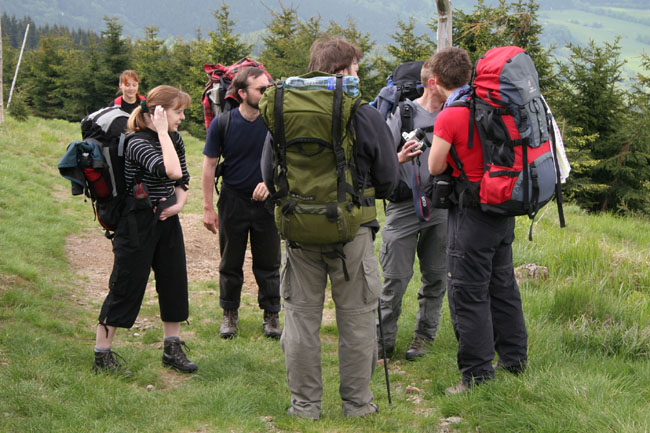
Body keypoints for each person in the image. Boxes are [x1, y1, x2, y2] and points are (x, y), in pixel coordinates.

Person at [261, 37, 398, 419]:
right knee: (356, 320)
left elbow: (267, 172)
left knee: (301, 320)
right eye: (355, 67)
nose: (358, 75)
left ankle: (304, 407)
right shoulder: (360, 111)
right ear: (342, 69)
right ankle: (357, 406)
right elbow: (389, 176)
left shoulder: (282, 107)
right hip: (351, 230)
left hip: (299, 230)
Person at [427, 48, 528, 394]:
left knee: (467, 294)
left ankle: (477, 376)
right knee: (502, 287)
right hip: (503, 208)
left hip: (471, 214)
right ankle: (514, 360)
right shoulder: (492, 104)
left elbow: (435, 166)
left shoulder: (450, 115)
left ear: (436, 80)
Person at [93, 85, 198, 374]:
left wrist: (178, 206)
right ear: (159, 113)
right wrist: (163, 133)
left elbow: (183, 179)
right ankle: (102, 356)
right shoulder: (135, 141)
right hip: (136, 222)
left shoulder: (173, 139)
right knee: (126, 285)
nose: (183, 118)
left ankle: (172, 348)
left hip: (167, 218)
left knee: (174, 281)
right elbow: (170, 171)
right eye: (179, 112)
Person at [201, 67, 282, 339]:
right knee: (230, 262)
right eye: (261, 89)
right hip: (233, 200)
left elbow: (287, 161)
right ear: (242, 93)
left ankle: (271, 315)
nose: (266, 93)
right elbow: (209, 165)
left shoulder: (275, 122)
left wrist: (270, 185)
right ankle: (229, 315)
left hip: (267, 206)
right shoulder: (223, 124)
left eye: (268, 88)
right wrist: (208, 208)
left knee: (269, 262)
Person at [377, 57, 447, 361]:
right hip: (404, 205)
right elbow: (379, 162)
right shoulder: (402, 114)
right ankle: (382, 341)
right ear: (433, 83)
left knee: (436, 276)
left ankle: (423, 337)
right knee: (394, 278)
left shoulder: (453, 113)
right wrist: (400, 158)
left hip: (442, 206)